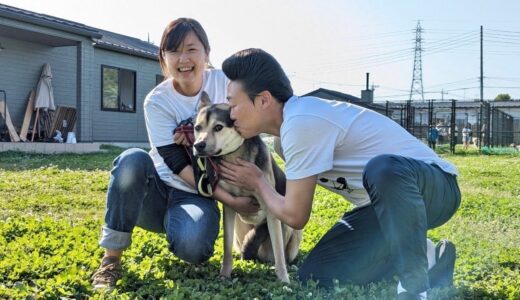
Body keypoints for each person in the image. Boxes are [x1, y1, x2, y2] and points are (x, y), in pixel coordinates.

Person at [219, 49, 461, 299]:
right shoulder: (285, 139)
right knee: (317, 275)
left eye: (234, 104)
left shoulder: (301, 122)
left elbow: (295, 215)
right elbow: (293, 207)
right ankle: (432, 256)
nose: (230, 113)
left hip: (433, 187)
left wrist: (258, 181)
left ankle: (415, 286)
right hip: (381, 209)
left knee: (382, 169)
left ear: (263, 100)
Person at [91, 18, 258, 289]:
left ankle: (182, 228)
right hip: (154, 190)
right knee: (132, 159)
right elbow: (177, 163)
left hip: (195, 196)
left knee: (193, 247)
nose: (183, 58)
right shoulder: (157, 101)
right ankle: (111, 259)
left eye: (191, 49)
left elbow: (244, 129)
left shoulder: (226, 85)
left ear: (206, 53)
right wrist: (231, 201)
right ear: (163, 58)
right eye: (173, 51)